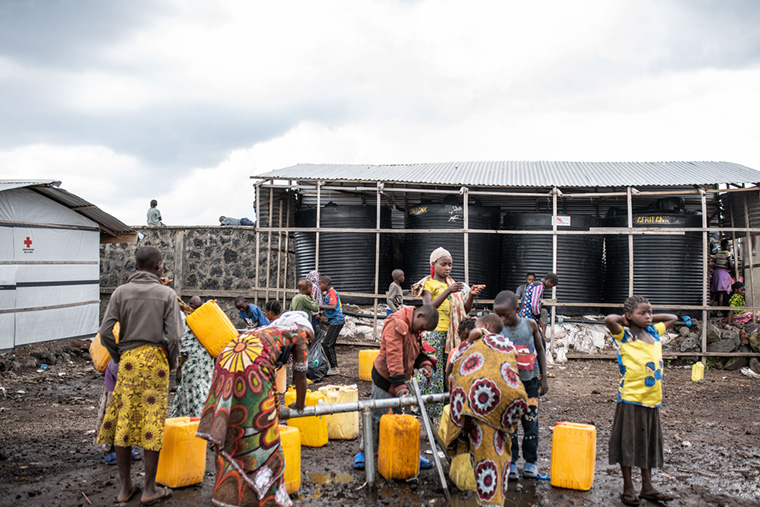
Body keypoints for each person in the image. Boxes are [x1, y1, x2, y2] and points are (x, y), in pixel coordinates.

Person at [196, 312, 313, 507]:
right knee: (262, 437)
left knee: (234, 427)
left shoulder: (265, 329)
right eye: (310, 336)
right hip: (252, 365)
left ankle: (226, 496)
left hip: (228, 356)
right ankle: (271, 499)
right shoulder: (299, 333)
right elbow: (300, 376)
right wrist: (300, 405)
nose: (308, 341)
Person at [97, 246, 182, 505]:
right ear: (159, 267)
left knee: (123, 421)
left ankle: (125, 488)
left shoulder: (120, 293)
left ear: (135, 267)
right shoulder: (167, 294)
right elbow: (175, 337)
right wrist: (171, 362)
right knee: (151, 423)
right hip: (156, 361)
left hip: (129, 362)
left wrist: (120, 355)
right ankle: (149, 489)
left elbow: (104, 333)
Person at [442, 315, 528, 507]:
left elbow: (452, 370)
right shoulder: (505, 344)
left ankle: (488, 502)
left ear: (485, 327)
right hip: (505, 407)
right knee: (501, 452)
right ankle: (497, 499)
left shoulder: (471, 346)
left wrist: (473, 337)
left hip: (480, 407)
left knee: (484, 456)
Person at [604, 296, 677, 506]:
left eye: (650, 313)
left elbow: (673, 317)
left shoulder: (653, 332)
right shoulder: (624, 335)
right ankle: (628, 486)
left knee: (648, 444)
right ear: (628, 316)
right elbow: (609, 320)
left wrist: (648, 317)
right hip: (630, 399)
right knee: (628, 443)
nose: (648, 317)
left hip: (652, 400)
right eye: (642, 313)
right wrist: (624, 319)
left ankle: (648, 486)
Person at [352, 304, 440, 471]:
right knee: (377, 415)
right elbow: (393, 357)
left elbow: (417, 351)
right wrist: (400, 387)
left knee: (403, 418)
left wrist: (424, 364)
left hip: (402, 378)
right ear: (419, 315)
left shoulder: (415, 328)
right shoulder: (396, 324)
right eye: (422, 327)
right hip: (385, 377)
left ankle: (407, 451)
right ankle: (365, 452)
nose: (421, 331)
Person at [411, 247, 485, 418]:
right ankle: (427, 408)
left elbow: (464, 310)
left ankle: (447, 406)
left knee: (449, 370)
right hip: (435, 333)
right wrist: (447, 292)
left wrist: (471, 295)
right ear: (433, 264)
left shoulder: (453, 284)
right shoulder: (429, 284)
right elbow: (428, 308)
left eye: (450, 265)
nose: (447, 268)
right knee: (433, 370)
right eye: (443, 264)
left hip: (453, 334)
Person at [493, 290, 549, 480]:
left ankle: (531, 462)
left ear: (517, 310)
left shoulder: (530, 325)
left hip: (530, 383)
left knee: (530, 422)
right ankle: (511, 463)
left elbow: (540, 351)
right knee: (510, 424)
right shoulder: (497, 329)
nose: (502, 319)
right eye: (498, 315)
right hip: (508, 385)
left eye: (505, 315)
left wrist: (544, 377)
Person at [171, 296, 215, 418]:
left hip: (196, 362)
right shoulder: (199, 320)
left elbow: (178, 342)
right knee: (188, 390)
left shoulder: (184, 319)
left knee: (197, 392)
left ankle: (201, 423)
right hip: (203, 360)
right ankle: (183, 420)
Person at [95, 360, 142, 465]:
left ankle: (125, 446)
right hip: (117, 374)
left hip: (133, 374)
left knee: (127, 416)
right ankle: (108, 449)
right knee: (111, 417)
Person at [318, 275, 345, 376]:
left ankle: (334, 368)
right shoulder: (329, 293)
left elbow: (333, 306)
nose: (319, 286)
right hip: (335, 320)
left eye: (320, 284)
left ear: (326, 284)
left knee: (327, 344)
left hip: (337, 321)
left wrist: (319, 306)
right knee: (330, 344)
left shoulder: (332, 293)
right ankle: (334, 367)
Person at [519, 273, 559, 339]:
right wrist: (538, 317)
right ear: (548, 281)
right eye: (551, 286)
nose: (550, 288)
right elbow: (534, 305)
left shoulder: (535, 284)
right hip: (528, 316)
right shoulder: (539, 286)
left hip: (525, 315)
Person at [711, 239, 732, 312]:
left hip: (717, 272)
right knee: (722, 293)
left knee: (718, 293)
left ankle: (716, 310)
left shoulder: (719, 253)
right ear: (726, 246)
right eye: (729, 246)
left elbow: (712, 256)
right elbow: (731, 263)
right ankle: (719, 311)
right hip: (723, 273)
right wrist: (731, 267)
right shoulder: (726, 253)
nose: (730, 247)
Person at [306, 270, 324, 339]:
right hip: (313, 314)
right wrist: (316, 313)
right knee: (314, 332)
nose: (319, 277)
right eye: (318, 276)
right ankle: (313, 348)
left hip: (315, 312)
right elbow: (311, 300)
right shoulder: (313, 286)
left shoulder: (316, 286)